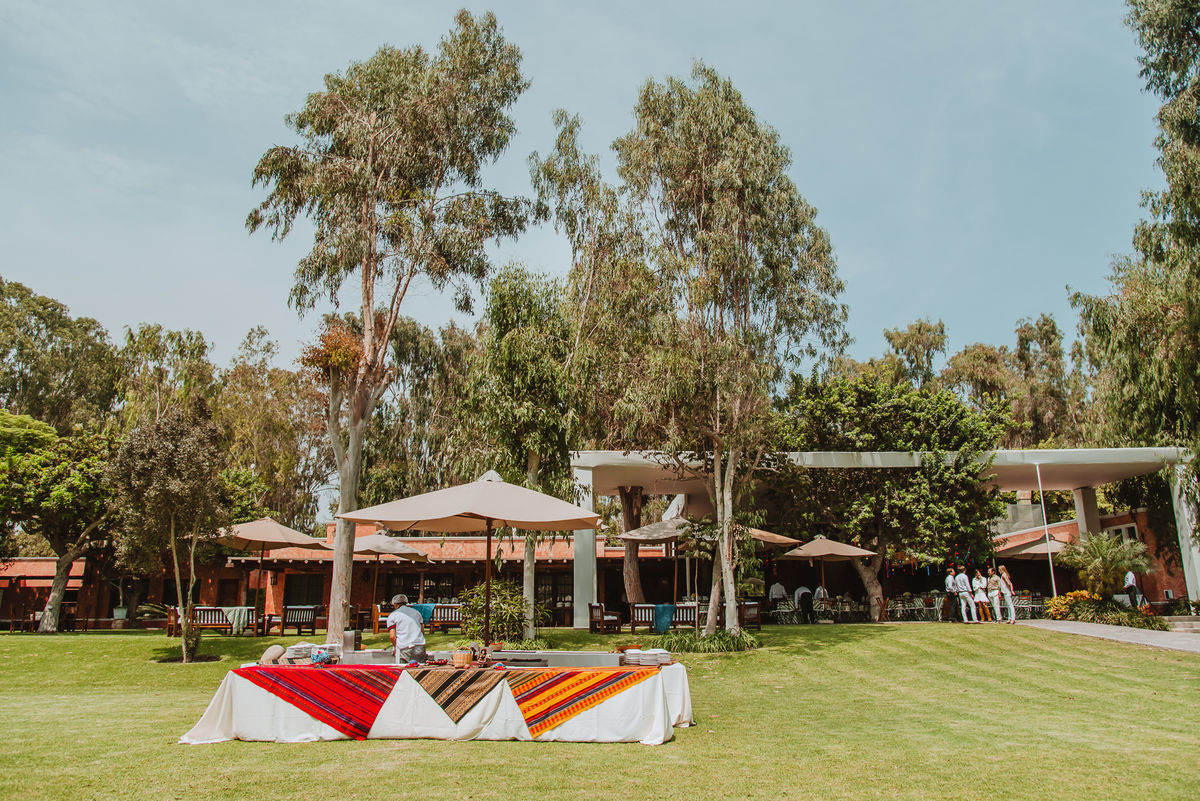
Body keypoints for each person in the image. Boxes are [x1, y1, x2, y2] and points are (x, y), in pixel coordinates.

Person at [386, 593, 426, 664]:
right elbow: (422, 631)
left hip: (403, 647)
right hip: (419, 647)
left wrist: (396, 646)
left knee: (404, 670)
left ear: (395, 604)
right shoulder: (416, 613)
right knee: (420, 669)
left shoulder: (393, 615)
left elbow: (392, 636)